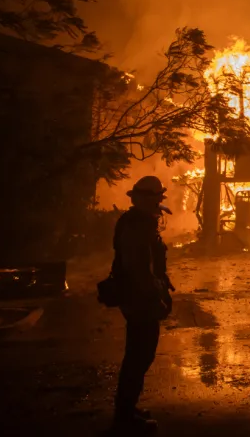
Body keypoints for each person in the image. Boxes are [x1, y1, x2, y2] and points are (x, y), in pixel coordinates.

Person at [112, 175, 175, 434]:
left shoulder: (138, 222)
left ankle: (128, 408)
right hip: (140, 299)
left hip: (137, 296)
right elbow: (139, 268)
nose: (160, 206)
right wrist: (154, 296)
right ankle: (125, 416)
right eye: (158, 198)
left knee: (140, 355)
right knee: (139, 356)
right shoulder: (138, 226)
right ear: (148, 200)